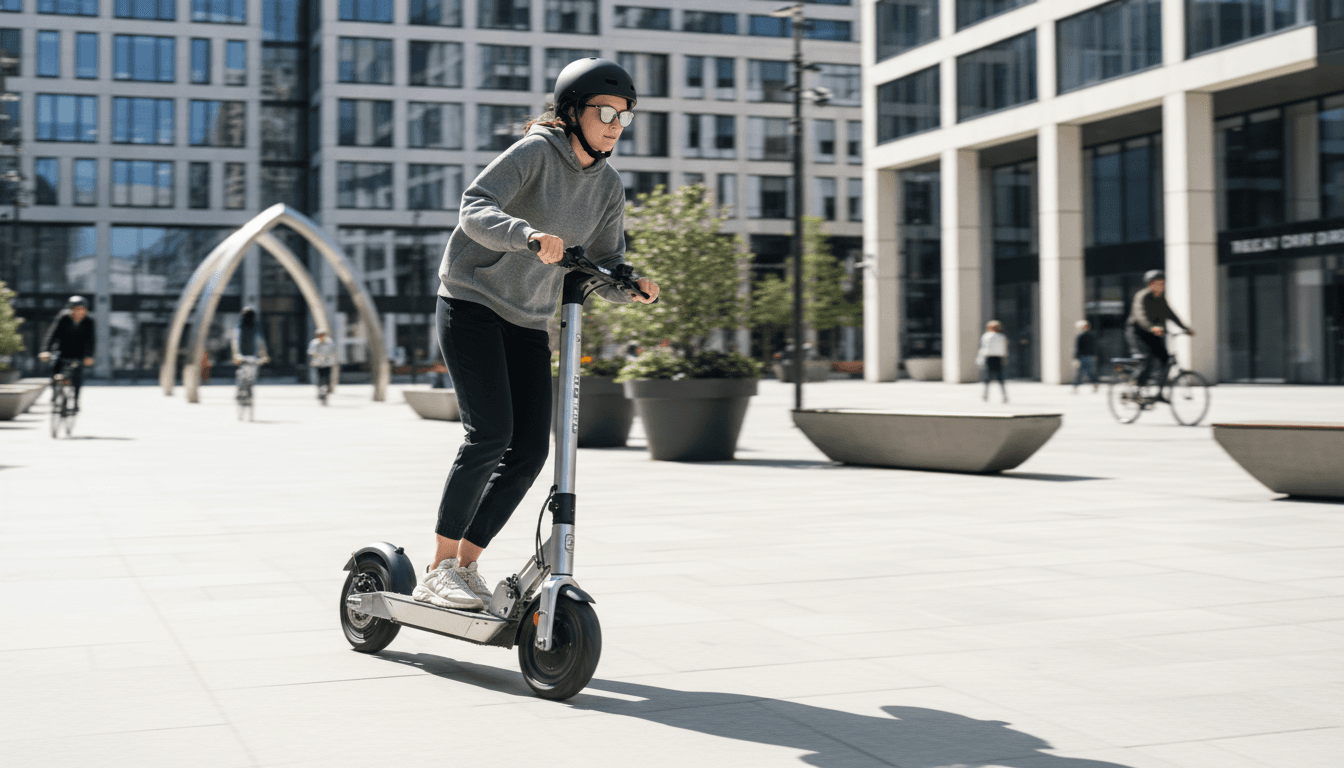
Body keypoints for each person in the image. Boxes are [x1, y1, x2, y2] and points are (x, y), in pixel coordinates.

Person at [413, 57, 660, 611]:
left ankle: (466, 566)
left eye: (624, 116)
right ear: (571, 112)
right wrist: (525, 234)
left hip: (528, 318)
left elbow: (604, 261)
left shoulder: (608, 187)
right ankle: (437, 568)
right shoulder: (534, 153)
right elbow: (473, 207)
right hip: (471, 300)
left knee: (529, 450)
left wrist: (630, 285)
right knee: (489, 435)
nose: (615, 125)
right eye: (604, 112)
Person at [1126, 269, 1192, 394]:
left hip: (1154, 333)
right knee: (1146, 358)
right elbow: (1140, 315)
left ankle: (1159, 393)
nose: (1161, 286)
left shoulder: (1161, 299)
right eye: (1158, 283)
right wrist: (1151, 327)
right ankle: (1136, 386)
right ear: (1150, 284)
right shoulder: (1142, 296)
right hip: (1137, 333)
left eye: (1162, 283)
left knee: (1165, 360)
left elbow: (1171, 314)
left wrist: (1185, 328)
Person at [39, 295, 96, 412]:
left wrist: (89, 356)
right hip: (62, 352)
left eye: (82, 309)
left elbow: (91, 340)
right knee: (55, 371)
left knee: (77, 377)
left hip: (79, 354)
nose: (79, 312)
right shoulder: (63, 319)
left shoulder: (89, 322)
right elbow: (52, 335)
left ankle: (75, 401)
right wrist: (46, 350)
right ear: (70, 310)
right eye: (76, 309)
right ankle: (55, 393)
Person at [977, 320, 1009, 403]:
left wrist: (980, 358)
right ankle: (1003, 395)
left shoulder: (987, 336)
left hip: (991, 357)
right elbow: (1004, 349)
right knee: (998, 377)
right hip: (995, 357)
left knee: (990, 376)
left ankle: (986, 394)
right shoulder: (1001, 337)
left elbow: (983, 348)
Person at [230, 306, 270, 372]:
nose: (249, 318)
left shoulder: (256, 328)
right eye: (247, 315)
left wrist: (264, 355)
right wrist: (235, 354)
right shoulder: (238, 328)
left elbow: (260, 342)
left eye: (251, 316)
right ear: (243, 316)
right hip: (241, 360)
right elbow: (235, 342)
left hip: (254, 359)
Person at [307, 328, 338, 399]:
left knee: (327, 377)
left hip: (328, 363)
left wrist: (333, 360)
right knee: (319, 377)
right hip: (318, 363)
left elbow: (334, 352)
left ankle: (326, 389)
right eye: (319, 335)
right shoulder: (314, 343)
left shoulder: (330, 343)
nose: (321, 337)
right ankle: (320, 390)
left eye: (323, 335)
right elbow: (310, 352)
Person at [1072, 319, 1099, 393]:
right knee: (1089, 372)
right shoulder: (1091, 336)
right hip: (1090, 357)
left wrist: (1075, 358)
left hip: (1083, 357)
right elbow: (1095, 347)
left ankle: (1075, 388)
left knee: (1080, 373)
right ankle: (1094, 384)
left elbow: (1078, 348)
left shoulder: (1080, 336)